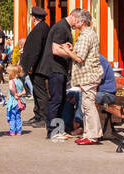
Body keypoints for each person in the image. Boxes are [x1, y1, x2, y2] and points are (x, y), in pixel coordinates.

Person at [65, 9, 104, 145]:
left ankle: (93, 135)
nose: (73, 22)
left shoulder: (86, 35)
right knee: (85, 105)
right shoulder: (88, 34)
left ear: (82, 21)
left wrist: (66, 51)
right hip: (89, 76)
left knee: (88, 106)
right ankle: (88, 133)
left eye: (76, 20)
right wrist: (72, 48)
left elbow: (80, 58)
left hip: (89, 75)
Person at [38, 10, 78, 140]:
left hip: (59, 69)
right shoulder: (61, 27)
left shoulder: (63, 26)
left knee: (60, 100)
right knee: (56, 100)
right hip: (55, 69)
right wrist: (72, 55)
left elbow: (59, 46)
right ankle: (53, 131)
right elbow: (55, 50)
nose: (77, 24)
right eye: (77, 21)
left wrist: (68, 48)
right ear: (73, 16)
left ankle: (59, 129)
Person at [18, 7, 50, 126]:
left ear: (34, 18)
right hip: (38, 66)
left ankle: (43, 117)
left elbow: (35, 50)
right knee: (36, 92)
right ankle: (38, 115)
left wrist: (30, 66)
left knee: (40, 92)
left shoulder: (39, 29)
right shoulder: (43, 28)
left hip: (38, 67)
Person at [3, 64, 27, 136]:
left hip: (13, 102)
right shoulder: (20, 81)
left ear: (12, 73)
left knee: (12, 117)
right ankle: (19, 131)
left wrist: (14, 94)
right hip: (19, 102)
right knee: (18, 117)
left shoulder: (11, 81)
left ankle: (12, 131)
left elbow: (10, 88)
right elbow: (24, 91)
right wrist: (19, 94)